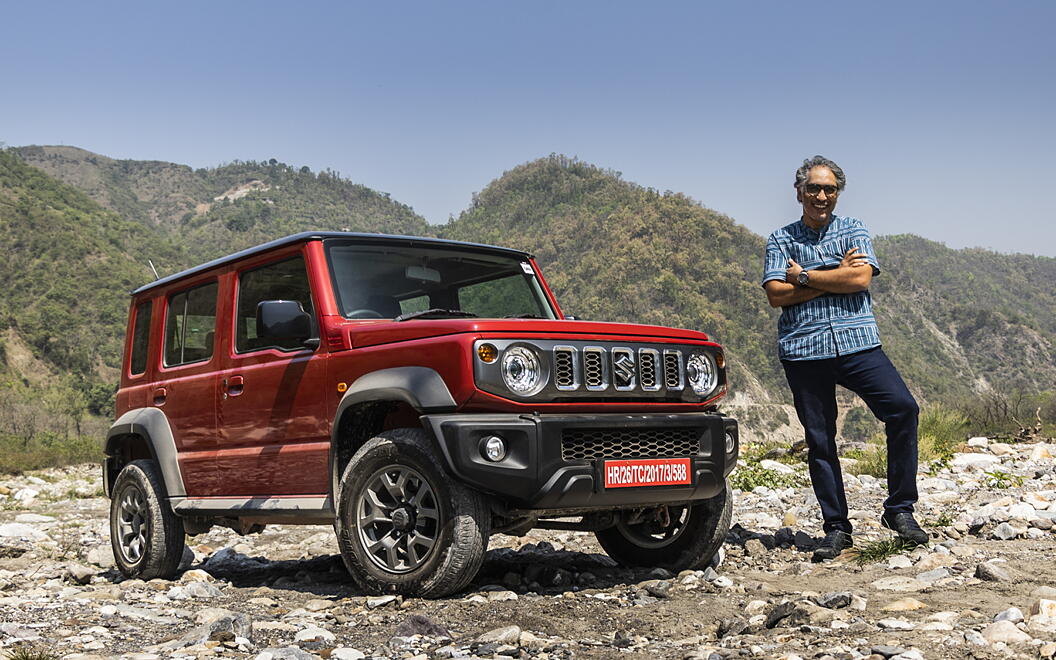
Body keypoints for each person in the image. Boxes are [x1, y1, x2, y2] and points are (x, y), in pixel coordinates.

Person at [761, 155, 928, 562]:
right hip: (803, 350)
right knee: (820, 440)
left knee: (902, 410)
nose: (822, 196)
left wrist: (803, 275)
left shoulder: (854, 229)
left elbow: (859, 278)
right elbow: (775, 295)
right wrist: (831, 276)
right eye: (814, 189)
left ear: (838, 193)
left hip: (858, 344)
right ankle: (836, 528)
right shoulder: (780, 240)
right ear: (799, 191)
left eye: (830, 189)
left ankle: (899, 510)